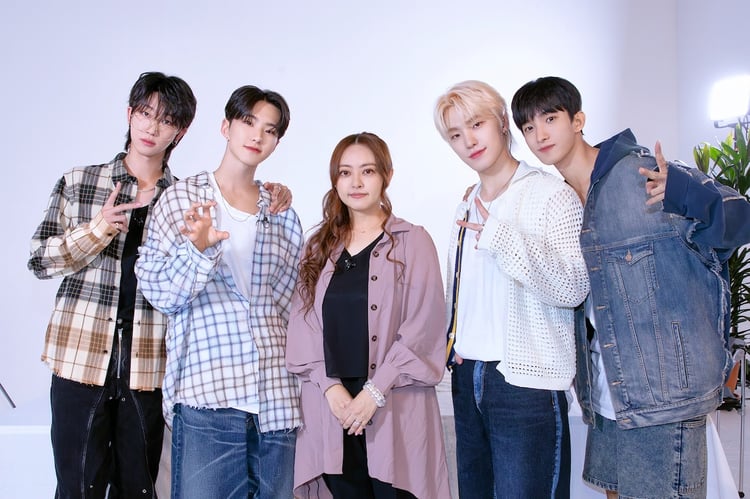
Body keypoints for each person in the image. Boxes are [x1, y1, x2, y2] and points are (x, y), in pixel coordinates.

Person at [511, 75, 750, 499]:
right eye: (529, 127)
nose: (540, 134)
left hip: (663, 393)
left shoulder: (642, 173)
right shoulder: (560, 199)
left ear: (578, 120)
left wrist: (687, 194)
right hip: (607, 391)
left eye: (550, 119)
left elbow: (741, 219)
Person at [28, 71, 197, 498]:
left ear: (180, 131)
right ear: (129, 114)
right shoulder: (79, 181)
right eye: (145, 113)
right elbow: (40, 260)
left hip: (148, 365)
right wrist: (98, 228)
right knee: (77, 486)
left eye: (166, 119)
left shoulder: (184, 200)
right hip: (80, 358)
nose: (151, 127)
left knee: (139, 488)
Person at [134, 84, 301, 499]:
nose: (257, 135)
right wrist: (197, 251)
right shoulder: (180, 200)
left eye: (270, 130)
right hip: (208, 396)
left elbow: (293, 305)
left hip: (277, 400)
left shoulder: (281, 213)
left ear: (276, 142)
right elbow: (159, 293)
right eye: (248, 122)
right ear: (226, 127)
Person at [433, 80, 590, 499]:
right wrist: (455, 341)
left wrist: (501, 236)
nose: (469, 141)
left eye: (476, 124)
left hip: (526, 383)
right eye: (455, 135)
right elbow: (463, 289)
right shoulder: (466, 202)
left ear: (502, 121)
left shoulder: (551, 195)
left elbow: (573, 287)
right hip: (468, 376)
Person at [285, 132, 451, 499]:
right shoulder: (318, 247)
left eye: (368, 171)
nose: (356, 182)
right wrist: (331, 389)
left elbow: (423, 327)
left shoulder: (413, 241)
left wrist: (373, 392)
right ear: (335, 180)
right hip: (332, 408)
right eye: (345, 172)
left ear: (387, 175)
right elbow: (303, 326)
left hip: (395, 404)